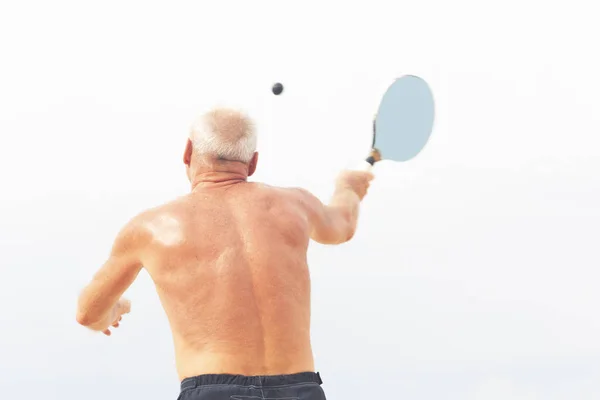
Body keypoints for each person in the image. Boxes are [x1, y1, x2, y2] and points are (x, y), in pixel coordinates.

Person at [76, 107, 374, 400]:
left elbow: (88, 313)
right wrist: (348, 188)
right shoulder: (297, 205)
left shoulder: (150, 227)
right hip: (300, 389)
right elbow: (342, 225)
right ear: (253, 163)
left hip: (213, 391)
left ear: (187, 152)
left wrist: (115, 311)